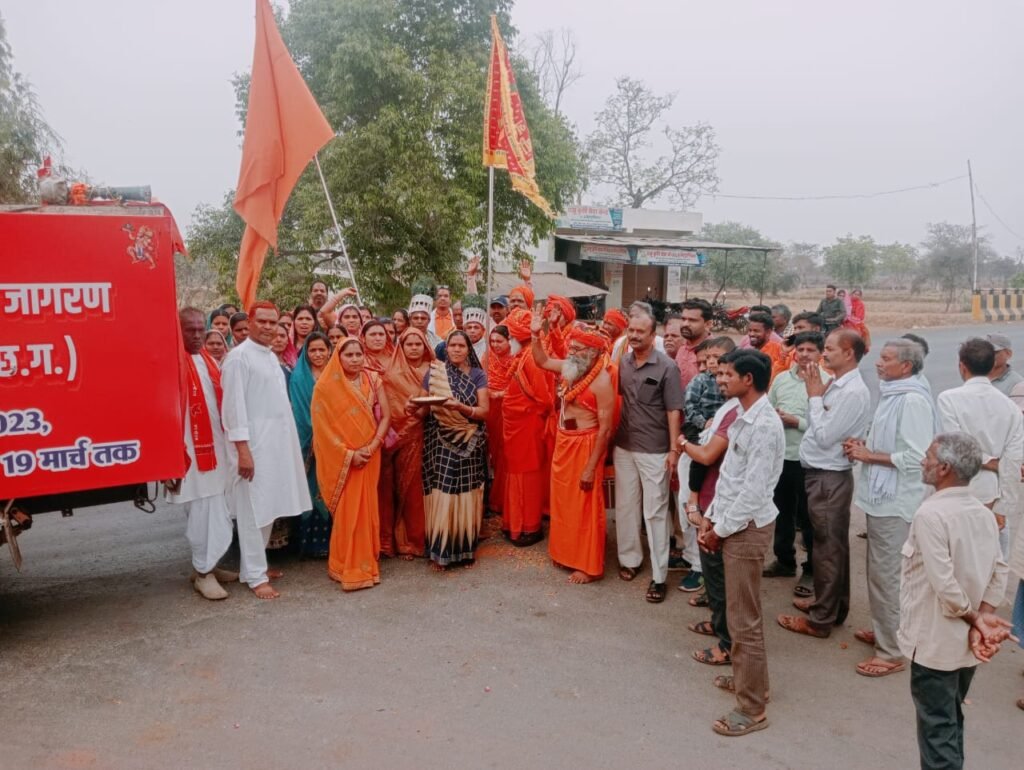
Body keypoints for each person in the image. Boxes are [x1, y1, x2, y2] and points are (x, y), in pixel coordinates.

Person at [898, 433, 1013, 770]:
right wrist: (983, 618)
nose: (923, 461)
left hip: (934, 645)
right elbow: (999, 570)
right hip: (964, 646)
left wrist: (977, 620)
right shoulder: (982, 513)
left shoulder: (930, 515)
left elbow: (944, 585)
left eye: (929, 456)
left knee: (938, 732)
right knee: (949, 721)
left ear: (944, 468)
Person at [689, 350, 785, 737]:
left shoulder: (765, 425)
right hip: (732, 522)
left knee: (745, 621)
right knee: (738, 613)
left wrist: (720, 529)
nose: (720, 378)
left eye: (728, 374)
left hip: (746, 528)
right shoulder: (741, 414)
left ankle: (752, 709)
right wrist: (711, 518)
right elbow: (730, 477)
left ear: (748, 379)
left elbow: (753, 492)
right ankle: (752, 683)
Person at [845, 339, 936, 677]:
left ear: (906, 366)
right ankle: (888, 630)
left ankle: (891, 651)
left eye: (886, 359)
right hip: (883, 498)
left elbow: (916, 457)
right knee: (883, 574)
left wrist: (869, 456)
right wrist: (866, 445)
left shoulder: (911, 400)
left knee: (887, 576)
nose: (878, 363)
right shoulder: (894, 393)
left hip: (896, 501)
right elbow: (890, 440)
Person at [778, 329, 871, 638]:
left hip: (829, 476)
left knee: (827, 549)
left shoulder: (851, 391)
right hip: (822, 474)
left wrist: (815, 398)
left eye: (829, 348)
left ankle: (821, 620)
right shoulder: (838, 383)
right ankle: (830, 606)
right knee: (830, 546)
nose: (824, 353)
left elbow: (824, 435)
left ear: (849, 353)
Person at [221, 301, 312, 600]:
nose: (269, 327)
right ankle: (256, 577)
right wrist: (243, 451)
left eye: (274, 322)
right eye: (262, 321)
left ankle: (252, 568)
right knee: (253, 511)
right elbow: (233, 409)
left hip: (276, 446)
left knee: (267, 508)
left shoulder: (270, 356)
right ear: (249, 322)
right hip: (254, 447)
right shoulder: (238, 358)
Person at [531, 319, 615, 584]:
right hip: (564, 441)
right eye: (571, 347)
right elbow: (542, 361)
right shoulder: (570, 367)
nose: (571, 352)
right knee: (563, 503)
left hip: (586, 445)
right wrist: (535, 334)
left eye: (578, 349)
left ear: (592, 353)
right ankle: (565, 554)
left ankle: (588, 566)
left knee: (585, 505)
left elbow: (605, 430)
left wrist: (591, 467)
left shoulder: (601, 382)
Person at [613, 303, 683, 603]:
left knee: (654, 512)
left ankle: (659, 575)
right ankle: (630, 560)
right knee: (626, 507)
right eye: (631, 330)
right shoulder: (623, 363)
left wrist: (673, 450)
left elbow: (673, 410)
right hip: (624, 446)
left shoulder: (667, 367)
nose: (634, 336)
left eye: (641, 331)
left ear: (653, 335)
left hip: (655, 449)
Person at [167, 308, 237, 600]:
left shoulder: (207, 359)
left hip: (215, 450)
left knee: (216, 507)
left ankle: (208, 565)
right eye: (190, 330)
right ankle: (203, 572)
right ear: (177, 331)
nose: (197, 335)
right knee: (202, 511)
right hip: (190, 455)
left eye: (200, 329)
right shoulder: (170, 361)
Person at [313, 338, 390, 591]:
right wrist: (349, 455)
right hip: (344, 459)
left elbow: (386, 416)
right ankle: (345, 565)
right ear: (338, 357)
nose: (355, 359)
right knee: (348, 511)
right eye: (349, 355)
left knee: (367, 507)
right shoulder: (325, 387)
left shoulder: (373, 379)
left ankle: (367, 561)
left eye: (359, 354)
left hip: (370, 453)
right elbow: (322, 431)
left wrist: (373, 445)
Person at [937, 338, 1024, 558]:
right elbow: (1014, 460)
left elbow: (955, 447)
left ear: (962, 366)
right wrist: (1003, 508)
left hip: (957, 488)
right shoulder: (1009, 408)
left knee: (956, 557)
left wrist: (987, 461)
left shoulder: (948, 399)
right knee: (992, 559)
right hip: (992, 493)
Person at [411, 330, 489, 569]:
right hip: (440, 441)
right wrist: (410, 408)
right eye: (452, 345)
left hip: (470, 440)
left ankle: (466, 550)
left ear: (468, 349)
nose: (456, 349)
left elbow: (484, 411)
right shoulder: (435, 373)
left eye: (461, 346)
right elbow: (424, 408)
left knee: (467, 494)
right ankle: (440, 551)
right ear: (446, 349)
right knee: (443, 493)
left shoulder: (478, 375)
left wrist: (461, 407)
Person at [764, 332, 827, 597]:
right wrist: (776, 418)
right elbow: (767, 408)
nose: (803, 354)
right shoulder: (781, 379)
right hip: (783, 458)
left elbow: (829, 426)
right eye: (800, 349)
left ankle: (811, 569)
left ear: (821, 354)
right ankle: (784, 560)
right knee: (782, 512)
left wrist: (797, 422)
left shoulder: (827, 382)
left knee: (809, 518)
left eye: (810, 350)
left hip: (810, 460)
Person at [501, 308, 552, 546]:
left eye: (511, 335)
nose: (508, 339)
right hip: (516, 427)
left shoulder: (531, 357)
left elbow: (544, 398)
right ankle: (513, 523)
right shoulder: (522, 355)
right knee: (515, 475)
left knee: (527, 477)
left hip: (528, 427)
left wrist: (529, 413)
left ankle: (527, 526)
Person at [382, 328, 433, 559]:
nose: (413, 348)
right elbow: (390, 408)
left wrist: (422, 413)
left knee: (428, 488)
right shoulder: (391, 374)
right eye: (408, 344)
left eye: (418, 344)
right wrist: (410, 422)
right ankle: (407, 541)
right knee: (407, 489)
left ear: (425, 346)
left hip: (432, 434)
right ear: (400, 347)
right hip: (402, 438)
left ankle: (428, 537)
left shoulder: (435, 369)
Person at [285, 332, 334, 559]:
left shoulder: (336, 374)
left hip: (333, 440)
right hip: (307, 442)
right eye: (312, 350)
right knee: (310, 487)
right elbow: (299, 411)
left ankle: (330, 542)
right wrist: (316, 434)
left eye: (322, 349)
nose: (317, 354)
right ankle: (307, 544)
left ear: (329, 351)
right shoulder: (298, 377)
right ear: (305, 352)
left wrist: (330, 434)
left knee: (328, 487)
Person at [485, 325, 514, 518]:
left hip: (507, 410)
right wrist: (488, 392)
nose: (495, 345)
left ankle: (502, 499)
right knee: (491, 453)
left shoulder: (515, 359)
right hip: (489, 408)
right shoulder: (487, 357)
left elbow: (518, 386)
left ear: (508, 341)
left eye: (499, 341)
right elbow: (480, 380)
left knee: (504, 455)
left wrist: (500, 394)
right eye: (492, 341)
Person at [674, 298, 712, 391]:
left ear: (708, 324)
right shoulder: (681, 349)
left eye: (692, 320)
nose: (685, 324)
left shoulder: (715, 352)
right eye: (683, 319)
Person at [744, 312, 784, 379]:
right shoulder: (748, 352)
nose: (751, 334)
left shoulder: (779, 350)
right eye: (750, 330)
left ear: (768, 332)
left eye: (756, 331)